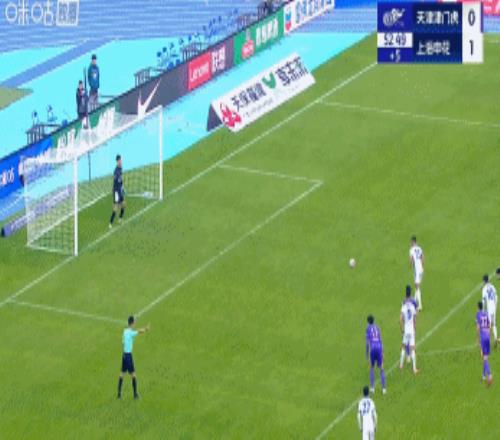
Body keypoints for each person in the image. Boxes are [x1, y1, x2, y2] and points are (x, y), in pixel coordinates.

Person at [118, 316, 150, 399]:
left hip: (124, 355)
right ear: (132, 323)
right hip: (128, 356)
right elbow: (139, 331)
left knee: (122, 374)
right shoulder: (131, 333)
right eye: (134, 322)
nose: (135, 323)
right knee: (133, 375)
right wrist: (146, 329)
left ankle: (119, 394)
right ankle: (135, 395)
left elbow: (123, 343)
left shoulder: (124, 331)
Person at [365, 315, 386, 394]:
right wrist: (382, 352)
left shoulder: (367, 329)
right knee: (381, 368)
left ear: (368, 322)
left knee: (371, 368)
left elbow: (367, 343)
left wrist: (367, 355)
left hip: (373, 348)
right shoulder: (377, 327)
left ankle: (372, 388)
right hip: (379, 348)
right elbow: (381, 340)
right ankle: (384, 389)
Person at [400, 287, 419, 374]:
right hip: (411, 329)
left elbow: (400, 319)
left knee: (403, 347)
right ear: (410, 293)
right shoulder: (412, 306)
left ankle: (401, 365)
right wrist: (415, 328)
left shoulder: (403, 305)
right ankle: (414, 369)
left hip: (406, 329)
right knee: (412, 348)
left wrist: (402, 328)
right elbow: (415, 318)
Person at [476, 302, 493, 386]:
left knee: (484, 358)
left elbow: (478, 327)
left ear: (478, 307)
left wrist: (478, 338)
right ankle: (483, 376)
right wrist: (489, 334)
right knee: (485, 357)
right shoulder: (486, 314)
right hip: (488, 336)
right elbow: (489, 325)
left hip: (483, 337)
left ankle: (489, 375)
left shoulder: (478, 314)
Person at [409, 235, 424, 311]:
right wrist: (422, 267)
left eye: (411, 242)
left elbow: (411, 259)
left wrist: (410, 266)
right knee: (417, 286)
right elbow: (423, 258)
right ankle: (414, 301)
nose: (410, 243)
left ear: (413, 242)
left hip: (417, 269)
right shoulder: (420, 248)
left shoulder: (411, 250)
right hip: (421, 269)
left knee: (417, 286)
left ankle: (420, 305)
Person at [109, 155, 125, 228]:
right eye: (120, 160)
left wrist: (122, 187)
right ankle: (110, 223)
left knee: (123, 205)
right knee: (115, 207)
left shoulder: (120, 168)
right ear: (117, 161)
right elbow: (116, 181)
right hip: (116, 191)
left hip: (120, 190)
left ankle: (120, 219)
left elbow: (120, 180)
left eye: (121, 160)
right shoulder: (116, 171)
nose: (121, 161)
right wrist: (115, 191)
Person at [481, 275, 498, 346]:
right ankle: (495, 338)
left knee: (488, 324)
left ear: (484, 281)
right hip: (494, 306)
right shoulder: (493, 286)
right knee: (493, 323)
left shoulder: (484, 289)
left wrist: (483, 311)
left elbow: (483, 301)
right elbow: (496, 296)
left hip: (489, 308)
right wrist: (496, 305)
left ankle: (486, 341)